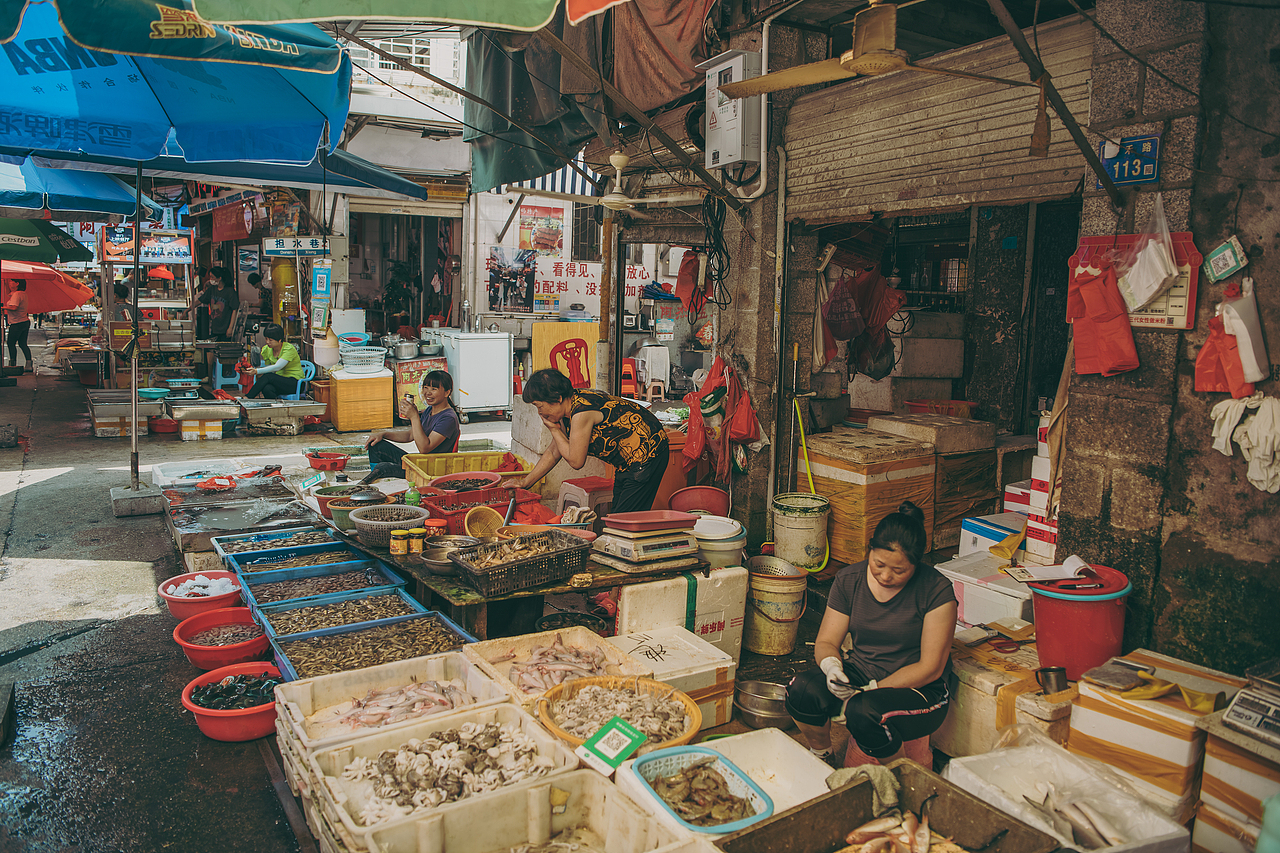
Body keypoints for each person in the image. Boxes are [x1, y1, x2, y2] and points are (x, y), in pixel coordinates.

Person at [785, 501, 957, 767]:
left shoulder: (936, 591)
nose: (886, 575)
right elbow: (827, 641)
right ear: (870, 550)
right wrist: (832, 668)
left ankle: (902, 779)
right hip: (863, 674)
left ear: (916, 565)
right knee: (802, 690)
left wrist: (872, 691)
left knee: (864, 712)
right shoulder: (849, 580)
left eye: (899, 570)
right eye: (878, 564)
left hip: (922, 691)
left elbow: (930, 668)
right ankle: (821, 758)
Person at [518, 368, 669, 513]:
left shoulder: (581, 412)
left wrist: (554, 430)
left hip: (649, 454)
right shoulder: (568, 410)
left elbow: (576, 461)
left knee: (624, 522)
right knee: (617, 517)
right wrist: (525, 483)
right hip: (626, 463)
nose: (540, 413)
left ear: (558, 398)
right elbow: (554, 451)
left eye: (539, 406)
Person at [364, 370, 461, 478]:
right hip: (421, 464)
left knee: (384, 467)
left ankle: (370, 482)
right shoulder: (430, 410)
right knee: (376, 445)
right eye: (425, 387)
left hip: (431, 470)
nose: (427, 393)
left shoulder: (448, 418)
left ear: (447, 393)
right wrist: (383, 434)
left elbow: (425, 448)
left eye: (434, 389)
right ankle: (375, 481)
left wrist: (414, 417)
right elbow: (410, 435)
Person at [242, 324, 305, 399]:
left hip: (295, 383)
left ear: (279, 340)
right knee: (267, 389)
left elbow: (277, 367)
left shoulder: (289, 349)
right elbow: (269, 367)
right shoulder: (267, 349)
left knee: (268, 376)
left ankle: (248, 397)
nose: (267, 342)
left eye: (270, 340)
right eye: (266, 339)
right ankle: (276, 407)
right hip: (280, 382)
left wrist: (257, 371)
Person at [199, 267, 239, 341]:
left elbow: (235, 310)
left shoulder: (230, 292)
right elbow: (200, 300)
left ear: (219, 278)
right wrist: (187, 310)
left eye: (212, 277)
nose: (210, 279)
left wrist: (230, 328)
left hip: (225, 329)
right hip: (214, 329)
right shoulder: (212, 289)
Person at [5, 280, 32, 372]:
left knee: (10, 343)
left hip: (17, 323)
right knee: (22, 344)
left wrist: (2, 308)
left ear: (17, 283)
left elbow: (14, 307)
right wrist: (5, 282)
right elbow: (8, 293)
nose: (9, 283)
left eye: (11, 281)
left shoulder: (17, 294)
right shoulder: (22, 294)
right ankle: (29, 364)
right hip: (24, 321)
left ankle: (12, 365)